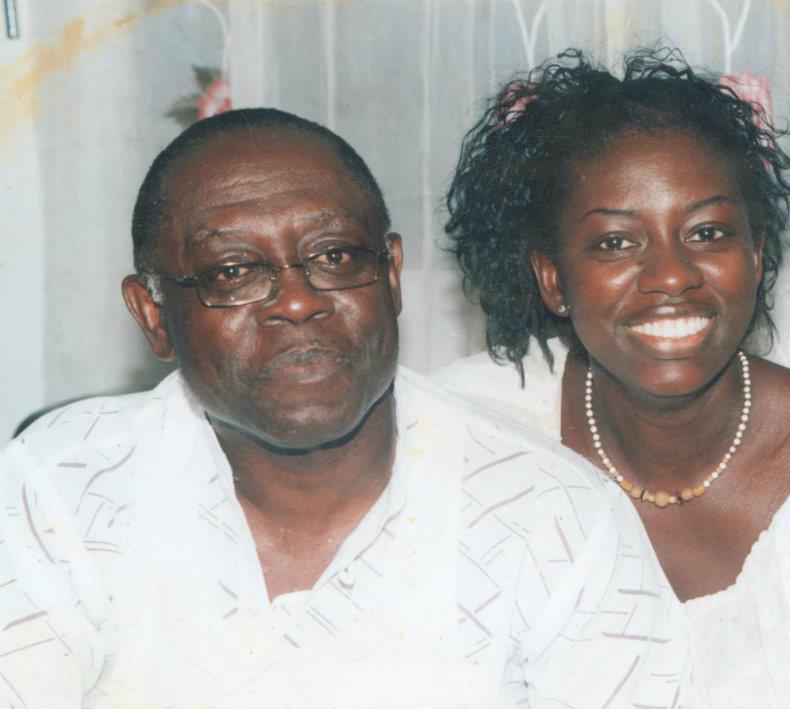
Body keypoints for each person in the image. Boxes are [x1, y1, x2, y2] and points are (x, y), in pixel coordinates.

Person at [0, 109, 688, 707]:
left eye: (334, 256)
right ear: (153, 314)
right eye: (234, 271)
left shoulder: (555, 517)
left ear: (390, 277)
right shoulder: (58, 491)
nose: (298, 302)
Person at [432, 48, 790, 708]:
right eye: (616, 242)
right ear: (553, 278)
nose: (672, 275)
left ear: (756, 256)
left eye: (707, 232)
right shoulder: (468, 437)